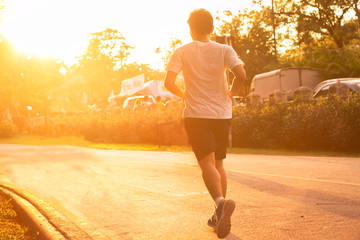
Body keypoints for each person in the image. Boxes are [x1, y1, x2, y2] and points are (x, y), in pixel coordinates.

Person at [164, 8, 247, 238]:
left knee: (206, 163)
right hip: (222, 114)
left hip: (196, 115)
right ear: (212, 28)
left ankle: (220, 204)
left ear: (190, 29)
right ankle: (217, 214)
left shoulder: (182, 51)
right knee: (219, 164)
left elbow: (168, 82)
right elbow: (241, 75)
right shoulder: (224, 50)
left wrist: (184, 95)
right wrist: (231, 93)